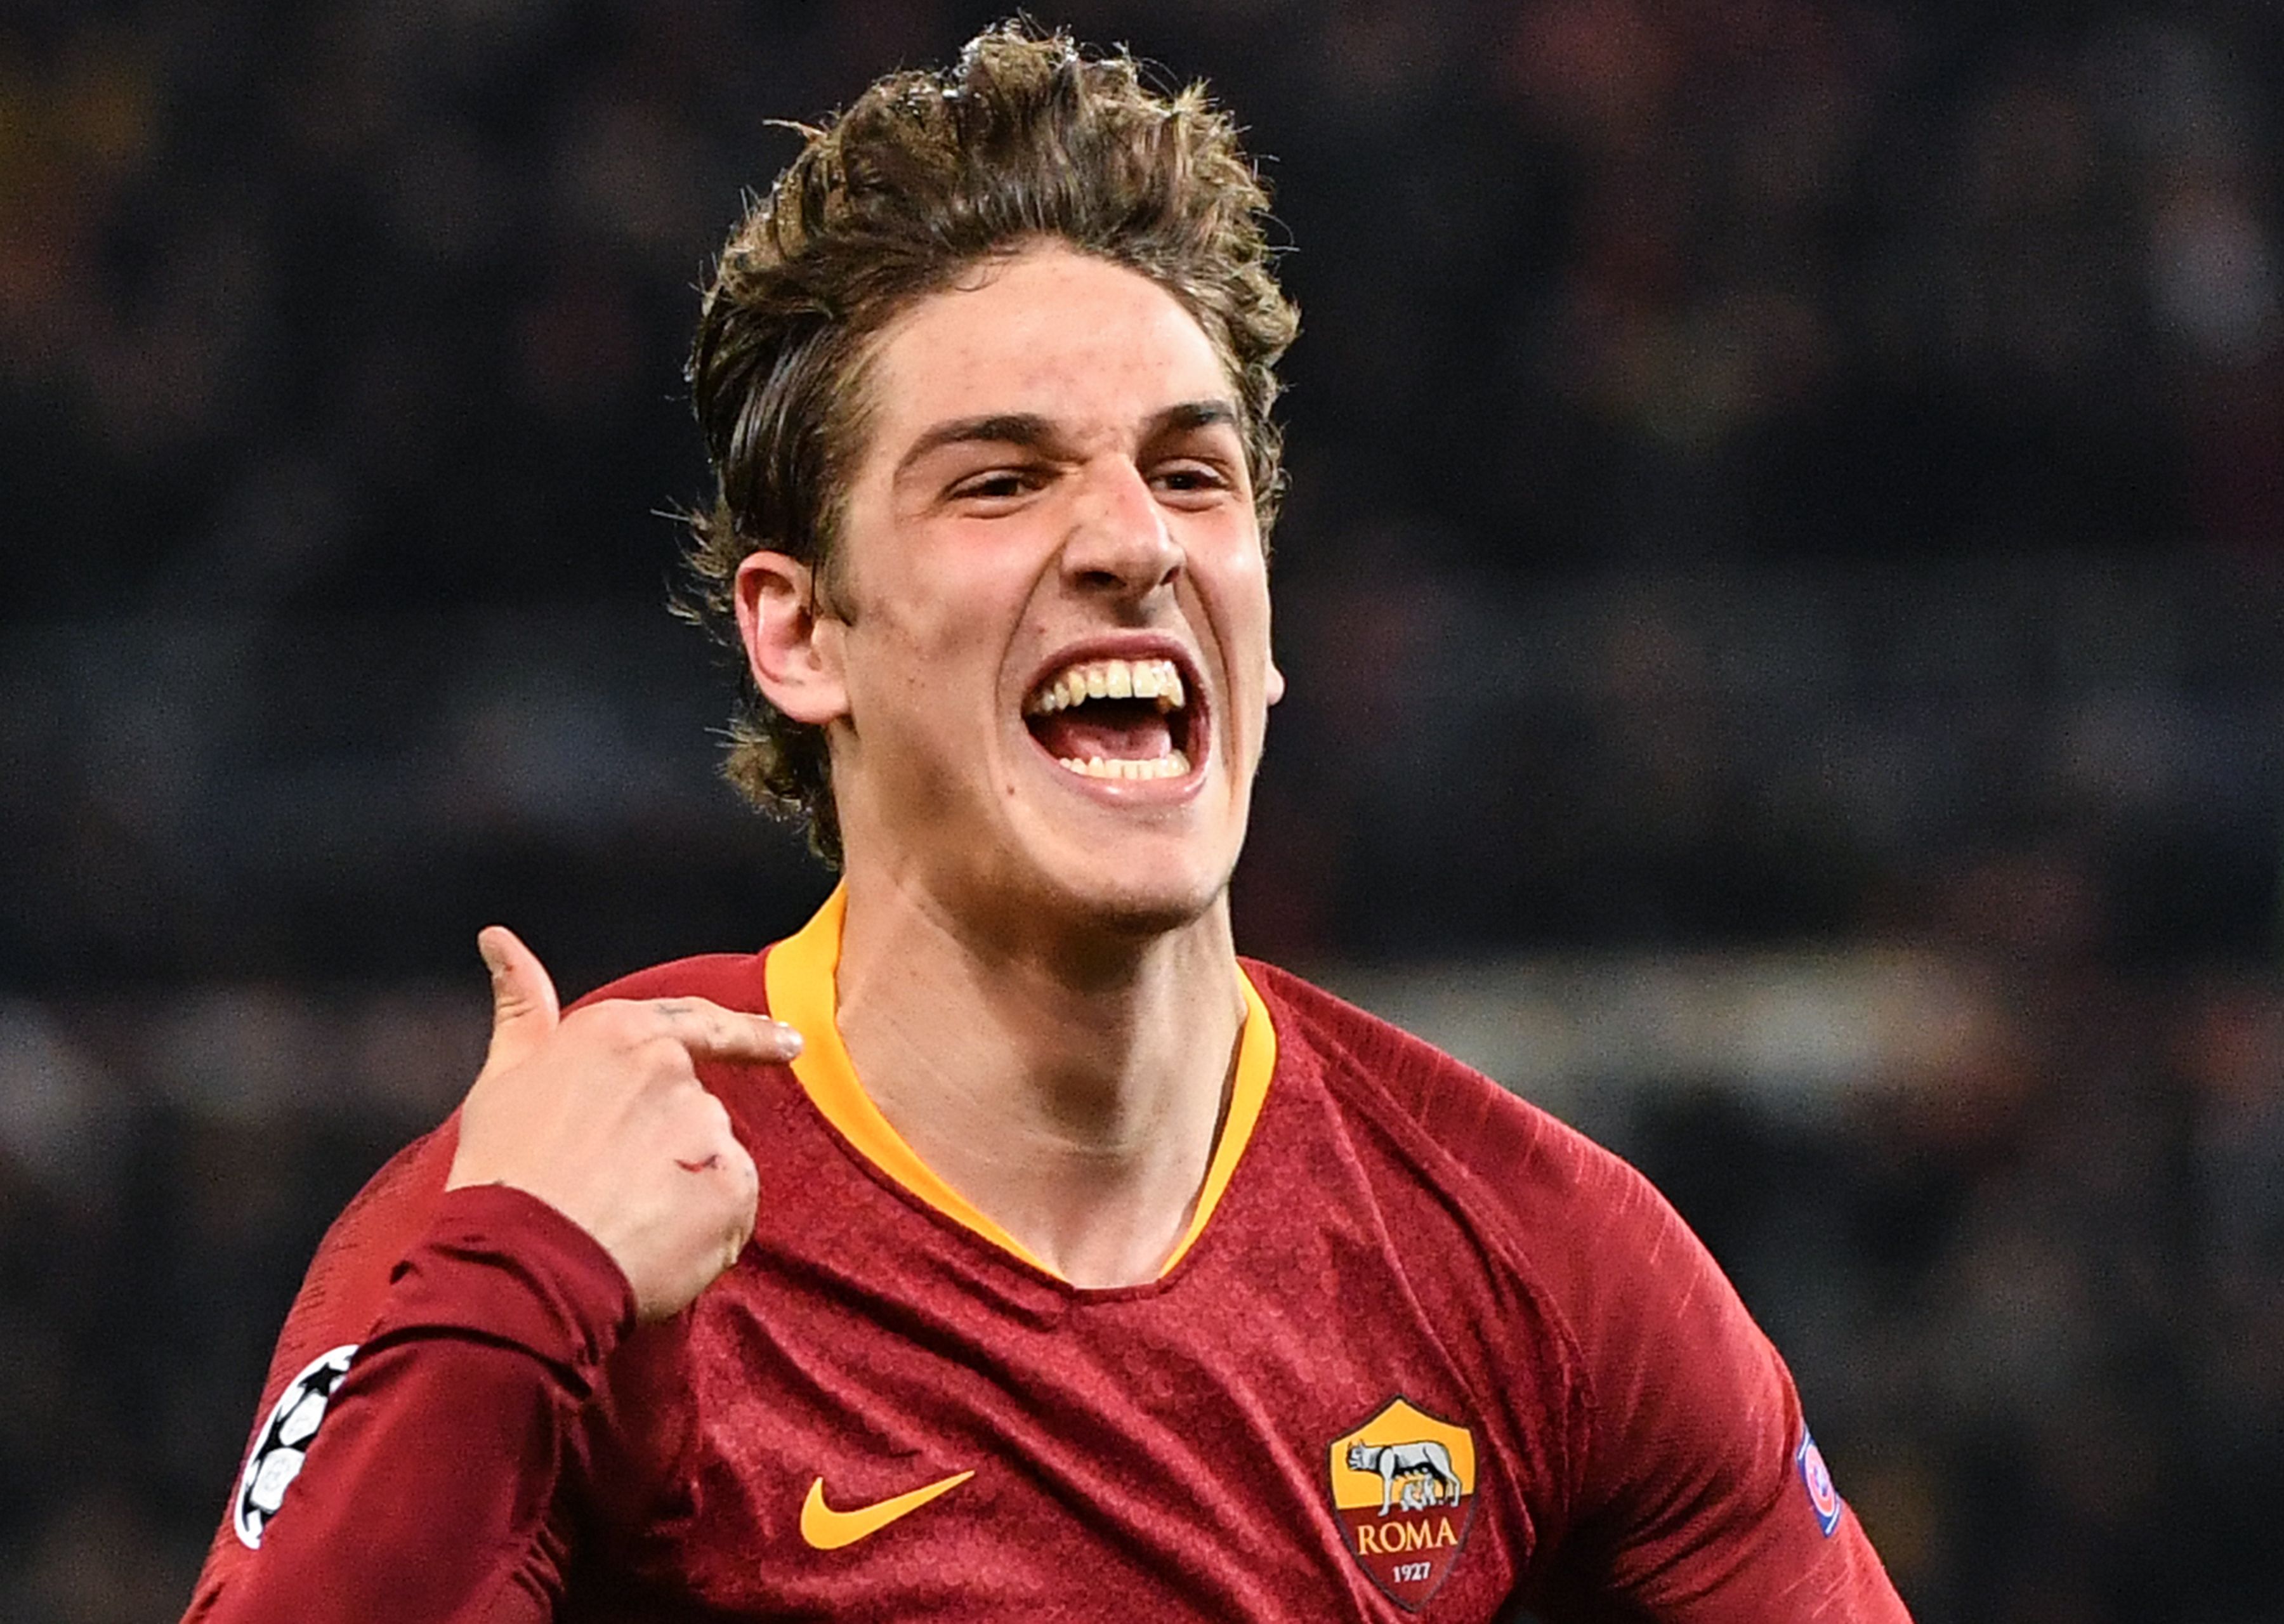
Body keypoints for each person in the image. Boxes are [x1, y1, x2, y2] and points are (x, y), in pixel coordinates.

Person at [181, 22, 1910, 1621]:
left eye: (1190, 473)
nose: (1133, 543)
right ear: (800, 632)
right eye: (1001, 481)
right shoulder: (566, 1208)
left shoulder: (1536, 1263)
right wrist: (511, 1289)